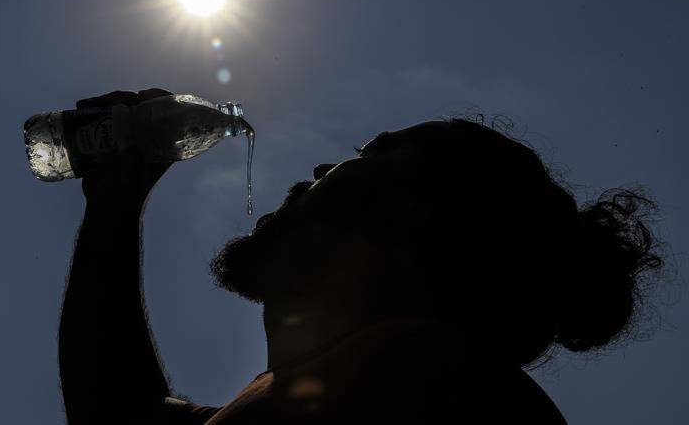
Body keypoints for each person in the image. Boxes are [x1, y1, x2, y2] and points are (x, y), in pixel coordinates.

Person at [57, 89, 664, 424]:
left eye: (368, 154)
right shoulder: (306, 395)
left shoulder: (450, 396)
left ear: (417, 218)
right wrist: (113, 201)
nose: (321, 168)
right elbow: (122, 423)